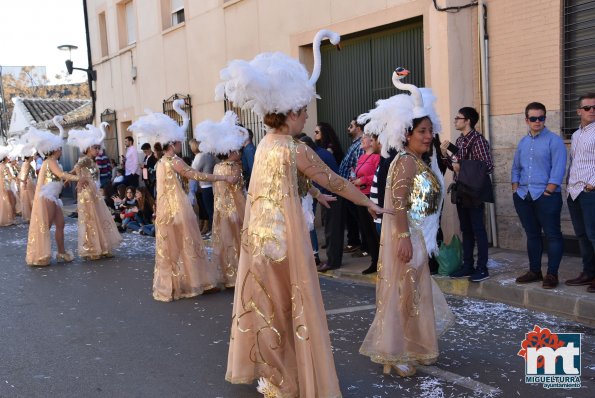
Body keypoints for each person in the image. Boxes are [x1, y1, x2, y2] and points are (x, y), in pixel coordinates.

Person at [217, 29, 391, 398]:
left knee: (267, 305)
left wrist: (313, 193)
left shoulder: (266, 144)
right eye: (304, 112)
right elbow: (336, 180)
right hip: (284, 242)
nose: (306, 117)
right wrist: (368, 202)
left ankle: (273, 375)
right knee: (289, 307)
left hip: (260, 240)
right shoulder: (295, 148)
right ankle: (289, 380)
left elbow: (284, 180)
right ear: (292, 112)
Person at [359, 67, 454, 377]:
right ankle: (393, 352)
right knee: (402, 293)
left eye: (430, 130)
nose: (428, 136)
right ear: (407, 134)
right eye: (421, 131)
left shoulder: (416, 160)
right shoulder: (405, 162)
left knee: (413, 294)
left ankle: (408, 347)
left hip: (417, 237)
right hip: (407, 237)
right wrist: (402, 237)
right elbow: (399, 203)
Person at [128, 99, 235, 302]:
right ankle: (193, 282)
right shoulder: (174, 161)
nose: (181, 144)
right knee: (188, 243)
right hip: (177, 207)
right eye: (178, 142)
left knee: (174, 247)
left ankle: (179, 283)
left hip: (166, 208)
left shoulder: (160, 162)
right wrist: (222, 177)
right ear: (172, 144)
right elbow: (196, 175)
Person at [511, 102, 566, 289]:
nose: (537, 121)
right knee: (532, 235)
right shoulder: (523, 142)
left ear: (545, 118)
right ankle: (535, 271)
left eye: (541, 118)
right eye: (533, 118)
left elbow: (559, 169)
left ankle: (552, 275)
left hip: (547, 196)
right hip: (524, 196)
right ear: (527, 120)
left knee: (552, 235)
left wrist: (549, 190)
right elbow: (516, 167)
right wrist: (515, 188)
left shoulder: (554, 140)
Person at [440, 107, 494, 282]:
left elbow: (487, 166)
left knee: (478, 230)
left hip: (474, 192)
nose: (456, 120)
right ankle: (468, 265)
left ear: (468, 121)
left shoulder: (478, 141)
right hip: (461, 190)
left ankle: (482, 268)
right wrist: (444, 154)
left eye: (459, 118)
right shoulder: (460, 140)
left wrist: (461, 165)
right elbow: (454, 166)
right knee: (466, 230)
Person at [195, 111, 248, 288]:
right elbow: (238, 192)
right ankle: (241, 274)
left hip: (221, 210)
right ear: (231, 150)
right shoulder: (233, 168)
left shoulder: (218, 166)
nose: (240, 152)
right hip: (235, 210)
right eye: (238, 149)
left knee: (225, 244)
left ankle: (228, 276)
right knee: (239, 242)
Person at [25, 124, 81, 266]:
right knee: (46, 226)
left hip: (54, 198)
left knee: (60, 224)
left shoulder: (53, 162)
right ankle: (40, 253)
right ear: (55, 149)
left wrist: (65, 183)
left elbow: (56, 179)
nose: (61, 150)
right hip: (47, 197)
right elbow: (61, 174)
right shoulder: (50, 161)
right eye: (60, 148)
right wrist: (79, 178)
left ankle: (61, 253)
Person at [67, 123, 122, 260]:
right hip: (86, 193)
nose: (97, 150)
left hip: (92, 191)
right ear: (87, 148)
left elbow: (76, 169)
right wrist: (73, 179)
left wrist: (69, 176)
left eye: (99, 148)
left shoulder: (90, 160)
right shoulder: (85, 159)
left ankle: (100, 247)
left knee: (97, 218)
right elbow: (77, 167)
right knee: (91, 219)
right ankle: (93, 248)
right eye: (95, 148)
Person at [565, 93, 595, 293]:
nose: (592, 110)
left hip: (590, 191)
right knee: (582, 235)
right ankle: (588, 272)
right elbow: (575, 162)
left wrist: (592, 184)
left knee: (593, 235)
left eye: (594, 108)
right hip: (574, 192)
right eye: (587, 108)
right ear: (579, 111)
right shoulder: (576, 135)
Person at [352, 132, 381, 274]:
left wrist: (363, 180)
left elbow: (377, 174)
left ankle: (382, 261)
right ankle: (374, 260)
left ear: (372, 141)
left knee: (375, 230)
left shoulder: (376, 157)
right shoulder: (361, 157)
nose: (361, 140)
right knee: (367, 231)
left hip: (371, 196)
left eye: (364, 138)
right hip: (360, 195)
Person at [17, 146, 37, 223]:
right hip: (28, 183)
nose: (33, 157)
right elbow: (24, 175)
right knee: (30, 199)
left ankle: (30, 216)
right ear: (29, 156)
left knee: (28, 199)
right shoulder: (27, 164)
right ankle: (31, 216)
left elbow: (20, 175)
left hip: (27, 183)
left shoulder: (25, 163)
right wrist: (24, 183)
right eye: (32, 155)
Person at [0, 146, 17, 226]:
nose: (8, 158)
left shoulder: (1, 166)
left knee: (6, 202)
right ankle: (10, 218)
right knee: (12, 201)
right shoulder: (4, 166)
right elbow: (8, 177)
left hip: (3, 186)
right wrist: (16, 178)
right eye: (7, 156)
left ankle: (9, 218)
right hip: (7, 186)